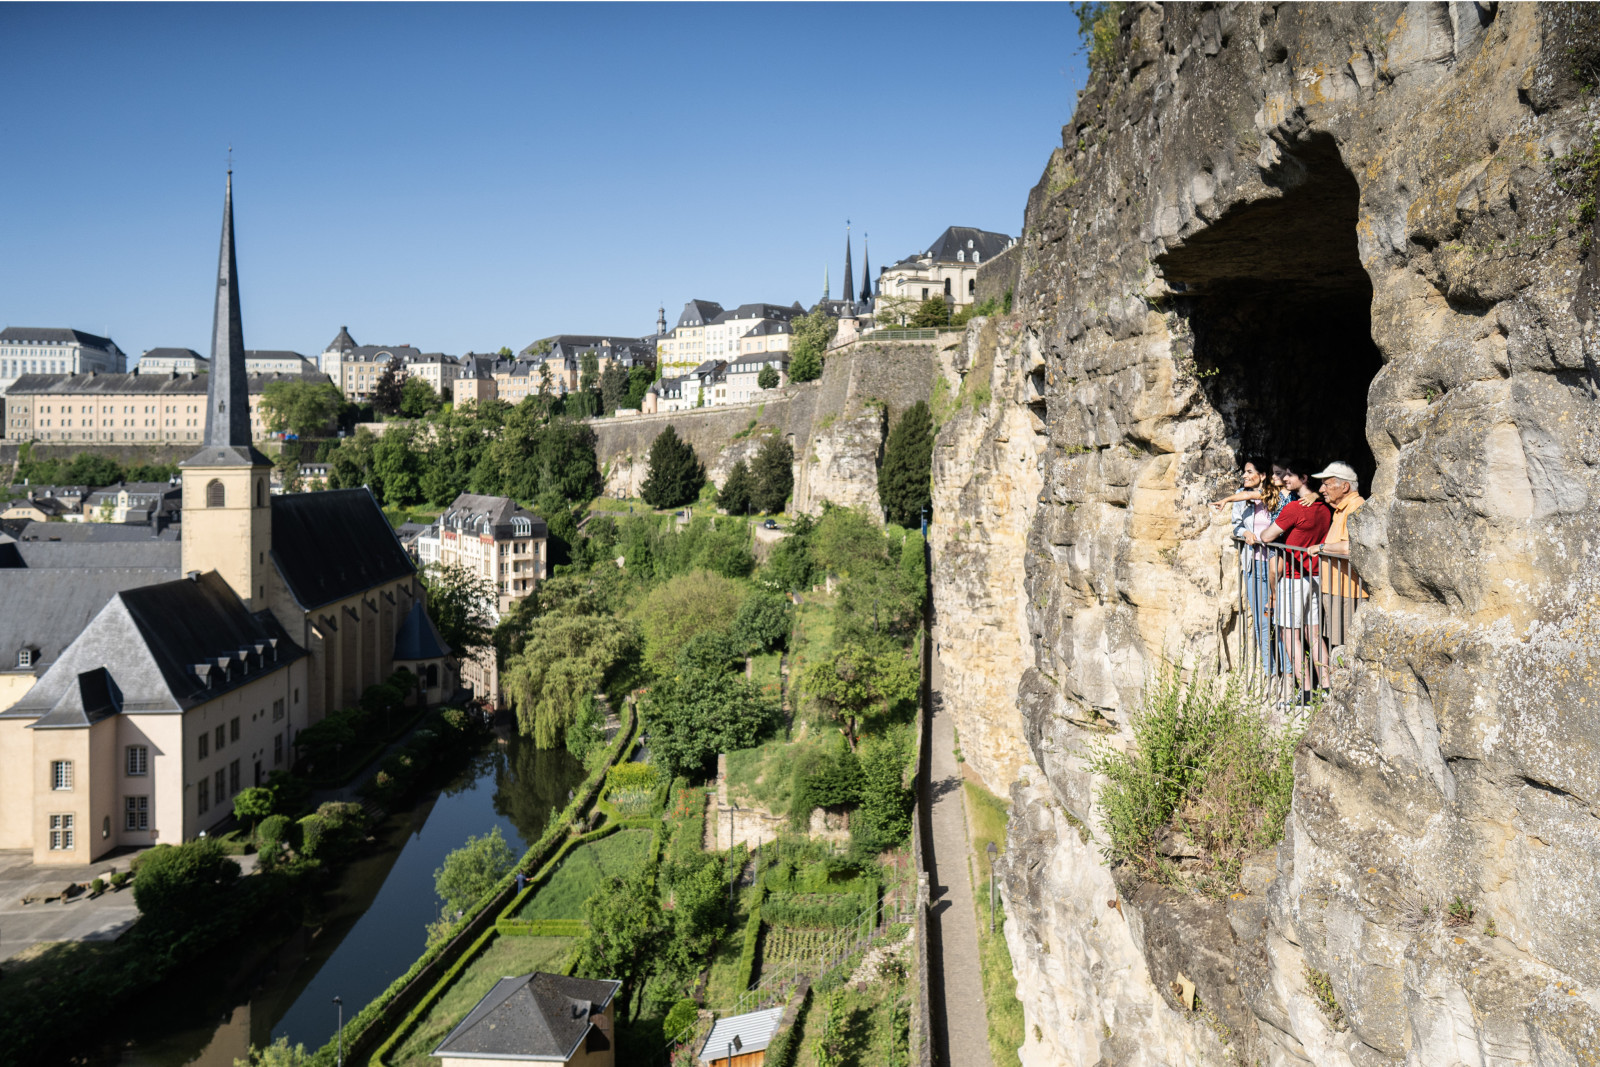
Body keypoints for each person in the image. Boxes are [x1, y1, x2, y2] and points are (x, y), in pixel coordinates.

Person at [1245, 461, 1332, 704]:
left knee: (1289, 635)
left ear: (1304, 477)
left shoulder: (1294, 508)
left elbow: (1266, 536)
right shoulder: (1324, 509)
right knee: (1314, 635)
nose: (1285, 480)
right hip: (1314, 575)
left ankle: (1304, 692)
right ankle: (1326, 687)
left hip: (1293, 577)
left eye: (1291, 475)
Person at [1215, 459, 1280, 674]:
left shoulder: (1275, 494)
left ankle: (1289, 671)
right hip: (1253, 565)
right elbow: (1236, 525)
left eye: (1249, 472)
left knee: (1281, 621)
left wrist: (1226, 498)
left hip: (1276, 566)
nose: (1244, 476)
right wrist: (1245, 533)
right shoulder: (1242, 496)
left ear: (1262, 475)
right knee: (1263, 622)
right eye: (1244, 472)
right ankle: (1270, 672)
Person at [1312, 461, 1366, 650]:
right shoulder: (1341, 509)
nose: (1321, 489)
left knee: (1345, 647)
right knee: (1338, 644)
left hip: (1347, 590)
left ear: (1345, 486)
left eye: (1327, 484)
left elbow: (1351, 547)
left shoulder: (1356, 507)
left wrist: (1321, 547)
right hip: (1337, 588)